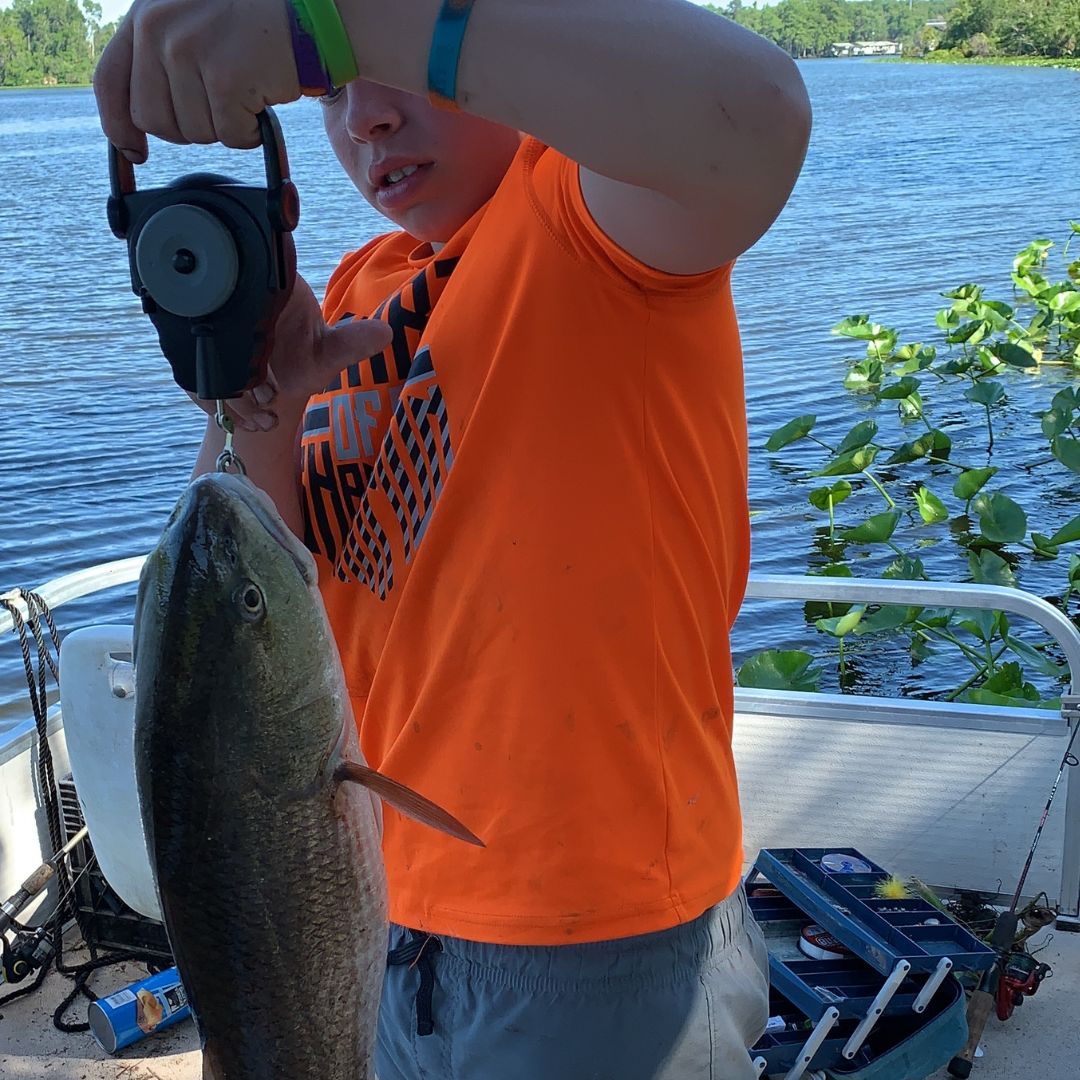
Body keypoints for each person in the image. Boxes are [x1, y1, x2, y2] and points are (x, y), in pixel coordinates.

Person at [95, 2, 811, 1077]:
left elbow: (753, 114)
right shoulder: (352, 293)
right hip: (373, 920)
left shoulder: (592, 219)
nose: (365, 118)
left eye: (386, 67)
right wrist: (261, 389)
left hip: (597, 949)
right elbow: (239, 589)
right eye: (328, 90)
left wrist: (333, 23)